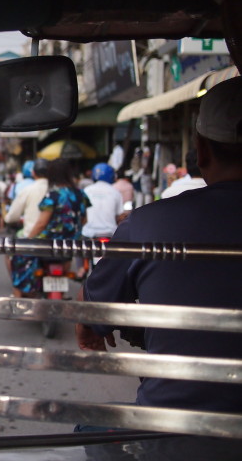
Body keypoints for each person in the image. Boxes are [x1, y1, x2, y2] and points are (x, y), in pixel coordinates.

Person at [75, 76, 242, 412]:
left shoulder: (148, 223)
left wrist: (91, 325)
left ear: (202, 149)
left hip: (174, 429)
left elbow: (94, 307)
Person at [10, 158, 89, 297]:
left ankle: (18, 300)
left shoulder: (52, 195)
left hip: (48, 243)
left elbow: (41, 223)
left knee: (18, 258)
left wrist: (28, 240)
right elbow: (84, 219)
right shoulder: (80, 194)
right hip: (72, 244)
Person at [4, 158, 49, 238]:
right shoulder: (57, 191)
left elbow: (12, 216)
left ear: (33, 172)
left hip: (30, 236)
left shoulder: (26, 189)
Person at [82, 163, 125, 239]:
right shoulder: (115, 192)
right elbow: (119, 216)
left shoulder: (86, 190)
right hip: (110, 233)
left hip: (88, 233)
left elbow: (83, 213)